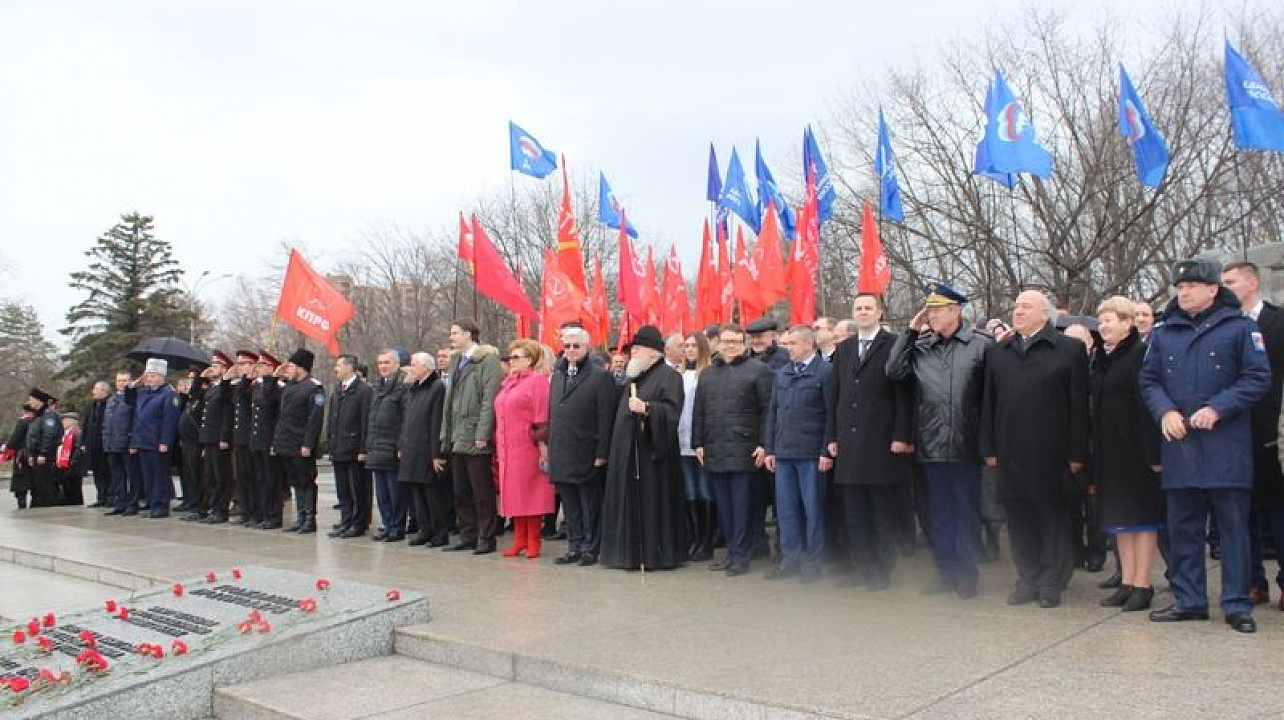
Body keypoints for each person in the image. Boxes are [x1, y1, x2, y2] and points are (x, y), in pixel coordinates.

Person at [1140, 257, 1270, 633]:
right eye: (1180, 287)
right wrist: (1164, 411)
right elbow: (1148, 380)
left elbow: (1257, 377)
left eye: (1192, 286)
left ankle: (1236, 603)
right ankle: (1190, 599)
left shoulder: (1240, 328)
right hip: (1181, 447)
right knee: (1183, 529)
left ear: (1214, 290)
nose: (1184, 292)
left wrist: (1218, 408)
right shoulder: (1164, 333)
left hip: (1226, 446)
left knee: (1232, 530)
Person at [982, 290, 1090, 609]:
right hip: (1009, 451)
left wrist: (1077, 454)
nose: (1018, 312)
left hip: (1052, 452)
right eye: (1016, 307)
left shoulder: (1069, 350)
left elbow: (1080, 407)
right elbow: (988, 403)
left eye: (1026, 307)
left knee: (1051, 519)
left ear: (1045, 315)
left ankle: (1050, 581)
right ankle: (1027, 578)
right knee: (1019, 520)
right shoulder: (999, 352)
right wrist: (988, 447)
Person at [886, 282, 991, 599]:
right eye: (928, 310)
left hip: (966, 444)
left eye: (937, 310)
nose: (930, 316)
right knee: (938, 514)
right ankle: (945, 571)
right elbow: (893, 371)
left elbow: (991, 398)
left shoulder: (980, 346)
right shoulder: (921, 347)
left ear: (956, 311)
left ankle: (967, 574)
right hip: (930, 444)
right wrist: (910, 333)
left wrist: (988, 442)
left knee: (966, 512)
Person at [828, 295, 913, 590]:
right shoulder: (844, 349)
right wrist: (831, 437)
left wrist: (902, 435)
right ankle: (862, 568)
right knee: (855, 513)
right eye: (858, 308)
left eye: (868, 308)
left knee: (881, 512)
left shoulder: (893, 345)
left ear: (879, 312)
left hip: (881, 443)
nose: (863, 312)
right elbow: (835, 396)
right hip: (849, 445)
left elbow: (904, 395)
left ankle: (882, 570)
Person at [1091, 296, 1163, 611]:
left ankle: (1143, 584)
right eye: (1101, 320)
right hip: (1111, 451)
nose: (1103, 326)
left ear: (1128, 323)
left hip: (1137, 451)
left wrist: (1154, 454)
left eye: (1110, 320)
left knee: (1141, 520)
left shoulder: (1140, 354)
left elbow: (1146, 408)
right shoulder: (1103, 357)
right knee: (1120, 521)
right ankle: (1127, 581)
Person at [599, 325, 688, 570]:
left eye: (637, 349)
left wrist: (648, 409)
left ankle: (654, 553)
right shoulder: (635, 377)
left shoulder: (669, 377)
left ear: (653, 352)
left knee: (651, 505)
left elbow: (671, 413)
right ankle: (626, 553)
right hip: (627, 455)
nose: (632, 354)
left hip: (651, 457)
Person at [1221, 261, 1284, 608]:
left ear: (1252, 283)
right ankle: (1252, 581)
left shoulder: (1278, 321)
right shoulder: (1223, 326)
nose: (1224, 287)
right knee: (1241, 515)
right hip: (1233, 431)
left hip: (1271, 431)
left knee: (1278, 512)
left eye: (1230, 281)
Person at [693, 324, 774, 577]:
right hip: (715, 449)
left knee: (742, 507)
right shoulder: (707, 374)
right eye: (726, 341)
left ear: (744, 343)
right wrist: (698, 443)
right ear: (717, 343)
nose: (731, 346)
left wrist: (765, 444)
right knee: (724, 508)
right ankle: (731, 553)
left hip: (746, 450)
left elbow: (768, 412)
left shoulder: (759, 371)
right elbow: (699, 411)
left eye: (736, 341)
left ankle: (742, 556)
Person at [764, 324, 834, 583]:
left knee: (813, 510)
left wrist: (826, 449)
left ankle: (813, 562)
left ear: (808, 344)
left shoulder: (825, 372)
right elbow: (773, 413)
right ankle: (790, 559)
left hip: (811, 455)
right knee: (786, 510)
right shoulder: (783, 374)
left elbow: (830, 415)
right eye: (786, 344)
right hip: (784, 454)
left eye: (792, 343)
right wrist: (770, 448)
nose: (787, 348)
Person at [548, 326, 618, 566]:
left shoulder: (600, 377)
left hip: (587, 451)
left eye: (576, 346)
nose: (571, 350)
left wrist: (602, 452)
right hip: (562, 450)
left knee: (590, 504)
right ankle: (574, 545)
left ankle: (591, 547)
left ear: (587, 347)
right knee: (570, 504)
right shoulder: (558, 375)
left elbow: (605, 418)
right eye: (567, 346)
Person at [435, 319, 503, 555]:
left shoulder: (488, 360)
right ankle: (468, 534)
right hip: (458, 434)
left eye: (455, 333)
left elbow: (488, 399)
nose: (451, 337)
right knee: (461, 490)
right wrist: (446, 434)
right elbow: (449, 402)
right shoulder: (457, 360)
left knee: (481, 490)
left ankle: (487, 536)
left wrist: (482, 433)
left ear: (468, 334)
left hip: (475, 434)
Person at [493, 339, 554, 559]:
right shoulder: (509, 382)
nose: (511, 361)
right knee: (514, 494)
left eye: (516, 357)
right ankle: (519, 540)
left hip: (528, 446)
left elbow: (542, 416)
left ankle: (533, 540)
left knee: (531, 493)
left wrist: (542, 445)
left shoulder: (537, 382)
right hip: (507, 447)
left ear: (529, 360)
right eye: (510, 358)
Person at [1062, 323, 1107, 575]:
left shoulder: (1098, 365)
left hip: (1094, 444)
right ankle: (1075, 550)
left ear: (1090, 342)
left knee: (1094, 505)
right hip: (1069, 443)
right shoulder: (1060, 366)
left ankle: (1096, 552)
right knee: (1070, 503)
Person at [398, 352, 449, 546]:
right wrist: (402, 445)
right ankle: (425, 529)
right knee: (417, 493)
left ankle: (439, 532)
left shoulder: (437, 387)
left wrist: (436, 453)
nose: (411, 368)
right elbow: (407, 420)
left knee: (432, 494)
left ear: (427, 367)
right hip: (412, 448)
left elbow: (436, 421)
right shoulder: (413, 388)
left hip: (428, 449)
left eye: (415, 364)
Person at [273, 348, 327, 534]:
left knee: (306, 481)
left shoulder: (314, 388)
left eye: (291, 366)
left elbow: (315, 419)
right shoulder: (289, 385)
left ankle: (310, 519)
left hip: (301, 443)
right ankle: (300, 516)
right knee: (295, 481)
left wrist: (308, 444)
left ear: (301, 368)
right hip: (286, 442)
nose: (288, 369)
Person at [327, 354, 374, 540]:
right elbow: (332, 419)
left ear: (349, 367)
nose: (335, 368)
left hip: (355, 448)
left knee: (357, 488)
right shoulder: (337, 389)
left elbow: (366, 421)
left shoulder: (364, 390)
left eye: (338, 365)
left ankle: (358, 522)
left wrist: (364, 449)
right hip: (339, 447)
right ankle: (346, 520)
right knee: (343, 489)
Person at [678, 331, 715, 561]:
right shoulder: (679, 375)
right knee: (689, 492)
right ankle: (694, 537)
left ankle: (707, 540)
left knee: (704, 491)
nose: (689, 349)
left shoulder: (707, 374)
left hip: (701, 440)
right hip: (681, 439)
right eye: (686, 346)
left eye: (693, 345)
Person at [128, 359, 181, 518]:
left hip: (158, 441)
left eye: (152, 375)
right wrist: (135, 383)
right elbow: (129, 399)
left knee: (159, 474)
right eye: (147, 375)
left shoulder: (169, 394)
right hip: (143, 440)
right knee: (148, 475)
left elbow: (170, 420)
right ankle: (152, 503)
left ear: (161, 376)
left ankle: (161, 505)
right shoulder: (144, 392)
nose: (148, 379)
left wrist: (165, 441)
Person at [364, 349, 407, 540]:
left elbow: (405, 419)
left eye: (387, 362)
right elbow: (372, 419)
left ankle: (397, 526)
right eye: (380, 363)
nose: (383, 366)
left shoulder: (402, 386)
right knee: (381, 492)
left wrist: (401, 446)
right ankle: (388, 524)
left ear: (397, 364)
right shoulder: (377, 387)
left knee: (395, 491)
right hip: (376, 447)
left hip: (391, 447)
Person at [196, 351, 234, 524]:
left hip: (219, 438)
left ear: (225, 369)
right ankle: (213, 507)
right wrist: (200, 378)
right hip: (209, 437)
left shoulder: (228, 387)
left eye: (216, 366)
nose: (212, 368)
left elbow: (227, 413)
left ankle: (221, 510)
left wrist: (224, 437)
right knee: (210, 476)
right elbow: (196, 396)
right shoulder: (212, 387)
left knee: (221, 476)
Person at [250, 352, 284, 529]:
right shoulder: (257, 386)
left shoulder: (278, 388)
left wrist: (274, 442)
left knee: (272, 480)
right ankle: (263, 513)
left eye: (263, 365)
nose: (258, 367)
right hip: (257, 440)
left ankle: (274, 515)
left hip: (269, 440)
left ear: (272, 368)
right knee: (261, 478)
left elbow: (276, 414)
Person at [229, 351, 260, 527]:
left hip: (251, 438)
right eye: (239, 364)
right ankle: (246, 511)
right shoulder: (242, 384)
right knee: (243, 478)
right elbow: (234, 397)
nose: (239, 368)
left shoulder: (255, 385)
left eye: (243, 364)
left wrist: (248, 379)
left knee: (253, 477)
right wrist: (229, 377)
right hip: (240, 438)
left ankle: (255, 511)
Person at [104, 373, 141, 516]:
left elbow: (135, 421)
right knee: (117, 476)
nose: (121, 383)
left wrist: (133, 442)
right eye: (119, 380)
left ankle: (132, 503)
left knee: (131, 475)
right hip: (112, 443)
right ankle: (120, 502)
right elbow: (107, 424)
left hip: (126, 442)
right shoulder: (112, 399)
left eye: (124, 380)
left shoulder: (132, 398)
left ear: (130, 381)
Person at [24, 388, 62, 508]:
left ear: (38, 401)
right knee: (38, 483)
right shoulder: (38, 416)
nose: (29, 402)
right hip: (36, 454)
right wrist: (30, 454)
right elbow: (32, 436)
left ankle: (48, 505)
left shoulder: (49, 415)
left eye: (31, 399)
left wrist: (43, 453)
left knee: (46, 482)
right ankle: (39, 504)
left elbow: (49, 435)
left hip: (44, 455)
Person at [175, 374, 203, 515]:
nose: (189, 385)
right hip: (186, 442)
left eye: (193, 381)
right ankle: (190, 500)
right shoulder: (189, 400)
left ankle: (197, 503)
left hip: (196, 441)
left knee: (196, 474)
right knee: (188, 473)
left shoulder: (200, 399)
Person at [82, 381, 111, 507]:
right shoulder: (91, 406)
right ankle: (101, 497)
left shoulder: (109, 404)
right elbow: (86, 425)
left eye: (96, 389)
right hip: (92, 445)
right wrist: (84, 442)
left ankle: (110, 496)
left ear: (104, 391)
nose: (93, 391)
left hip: (104, 444)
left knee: (107, 472)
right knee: (97, 473)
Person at [4, 406, 36, 508]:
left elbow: (14, 440)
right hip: (35, 455)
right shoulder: (38, 421)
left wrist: (7, 446)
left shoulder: (23, 422)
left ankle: (22, 503)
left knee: (21, 481)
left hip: (22, 455)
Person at [54, 412, 85, 505]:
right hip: (64, 465)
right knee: (67, 488)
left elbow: (78, 450)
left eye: (64, 420)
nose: (62, 422)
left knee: (74, 489)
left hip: (74, 467)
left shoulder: (77, 433)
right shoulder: (65, 434)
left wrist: (72, 463)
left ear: (72, 421)